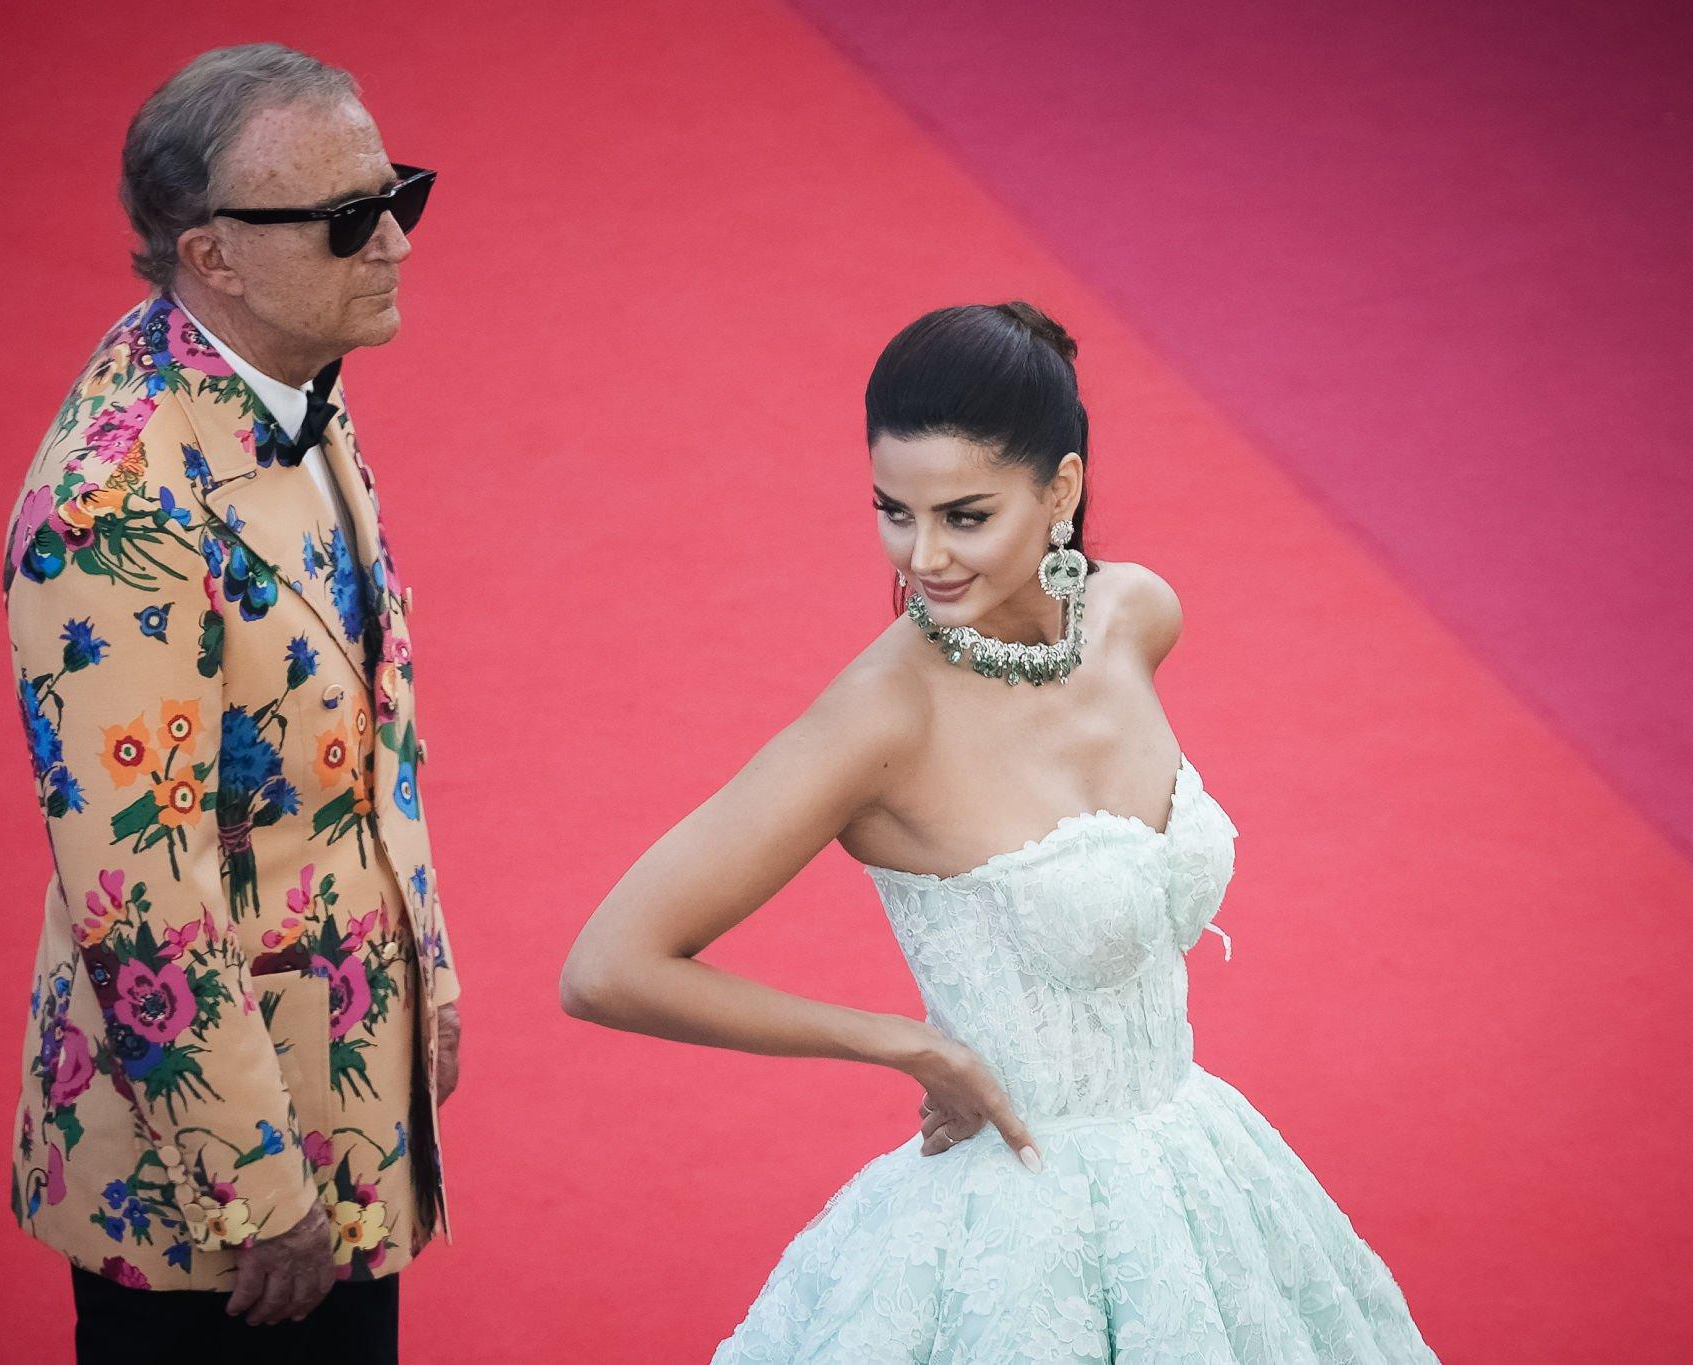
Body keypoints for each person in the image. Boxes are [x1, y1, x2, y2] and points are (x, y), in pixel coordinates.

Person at [560, 303, 1440, 1361]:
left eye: (963, 516)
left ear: (1057, 489)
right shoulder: (880, 718)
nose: (920, 555)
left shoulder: (1134, 617)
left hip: (1203, 1184)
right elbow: (608, 966)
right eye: (893, 510)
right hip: (1014, 1238)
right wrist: (906, 1044)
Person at [1, 44, 462, 1363]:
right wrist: (255, 1187)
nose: (394, 243)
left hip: (342, 1091)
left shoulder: (280, 363)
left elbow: (368, 715)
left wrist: (421, 961)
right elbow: (133, 892)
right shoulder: (115, 508)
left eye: (400, 195)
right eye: (346, 220)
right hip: (216, 1202)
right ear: (213, 255)